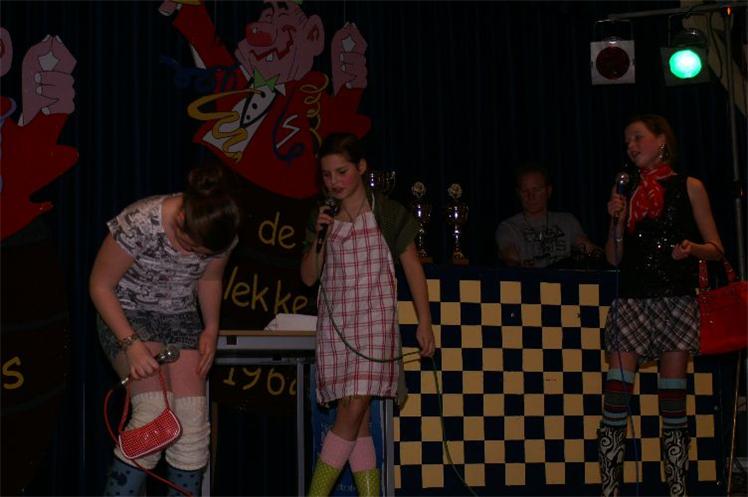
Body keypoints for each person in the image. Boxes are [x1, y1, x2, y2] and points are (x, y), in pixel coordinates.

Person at [90, 161, 240, 496]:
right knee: (154, 417)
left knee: (192, 425)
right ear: (182, 218)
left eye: (205, 252)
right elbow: (99, 285)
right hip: (127, 313)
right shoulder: (141, 221)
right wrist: (131, 343)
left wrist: (211, 328)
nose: (196, 255)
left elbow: (210, 279)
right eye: (192, 246)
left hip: (180, 316)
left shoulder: (222, 232)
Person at [300, 133, 436, 497]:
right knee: (357, 425)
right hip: (336, 329)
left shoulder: (387, 212)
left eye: (342, 171)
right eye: (326, 174)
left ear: (361, 167)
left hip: (375, 326)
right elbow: (308, 277)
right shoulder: (321, 217)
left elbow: (413, 268)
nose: (334, 181)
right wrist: (320, 237)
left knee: (352, 408)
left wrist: (424, 322)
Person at [598, 114, 724, 497]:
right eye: (627, 141)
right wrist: (616, 221)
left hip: (675, 300)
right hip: (632, 300)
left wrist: (692, 248)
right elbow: (613, 258)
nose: (631, 146)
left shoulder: (690, 186)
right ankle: (609, 489)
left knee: (673, 401)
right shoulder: (627, 191)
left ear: (661, 141)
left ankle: (677, 489)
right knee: (615, 397)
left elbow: (716, 249)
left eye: (637, 137)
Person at [495, 164, 600, 268]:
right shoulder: (509, 227)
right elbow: (511, 260)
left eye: (536, 190)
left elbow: (590, 250)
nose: (531, 196)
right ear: (518, 194)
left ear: (548, 191)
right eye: (525, 191)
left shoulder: (567, 221)